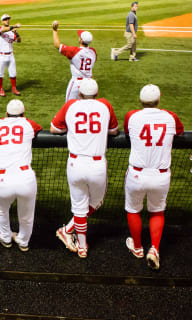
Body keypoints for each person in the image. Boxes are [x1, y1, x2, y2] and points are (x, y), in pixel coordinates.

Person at [50, 78, 118, 258]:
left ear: (79, 93)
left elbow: (54, 129)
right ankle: (67, 230)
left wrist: (70, 129)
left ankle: (81, 246)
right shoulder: (105, 105)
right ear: (97, 93)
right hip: (96, 164)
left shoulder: (71, 105)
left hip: (75, 163)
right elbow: (114, 131)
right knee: (96, 202)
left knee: (79, 207)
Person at [123, 84, 183, 270]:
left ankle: (138, 247)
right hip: (161, 176)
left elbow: (126, 132)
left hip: (137, 175)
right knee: (157, 212)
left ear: (141, 100)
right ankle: (154, 249)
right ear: (159, 99)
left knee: (133, 210)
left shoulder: (132, 116)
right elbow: (179, 132)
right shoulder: (170, 117)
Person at [0, 99, 42, 252]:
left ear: (6, 113)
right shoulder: (29, 124)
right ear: (23, 113)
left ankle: (5, 238)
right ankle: (23, 242)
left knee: (1, 209)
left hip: (4, 178)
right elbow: (38, 128)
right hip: (25, 176)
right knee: (27, 214)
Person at [52, 21, 96, 102]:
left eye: (80, 37)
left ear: (81, 40)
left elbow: (57, 45)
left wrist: (55, 30)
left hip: (76, 83)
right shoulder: (93, 52)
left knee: (69, 106)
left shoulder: (74, 51)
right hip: (89, 83)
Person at [0, 14, 22, 97]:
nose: (7, 20)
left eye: (8, 19)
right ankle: (1, 89)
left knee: (13, 73)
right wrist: (14, 26)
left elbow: (19, 41)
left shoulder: (11, 32)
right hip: (1, 56)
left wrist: (17, 34)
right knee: (0, 74)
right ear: (2, 21)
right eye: (5, 19)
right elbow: (4, 30)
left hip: (11, 55)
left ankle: (14, 88)